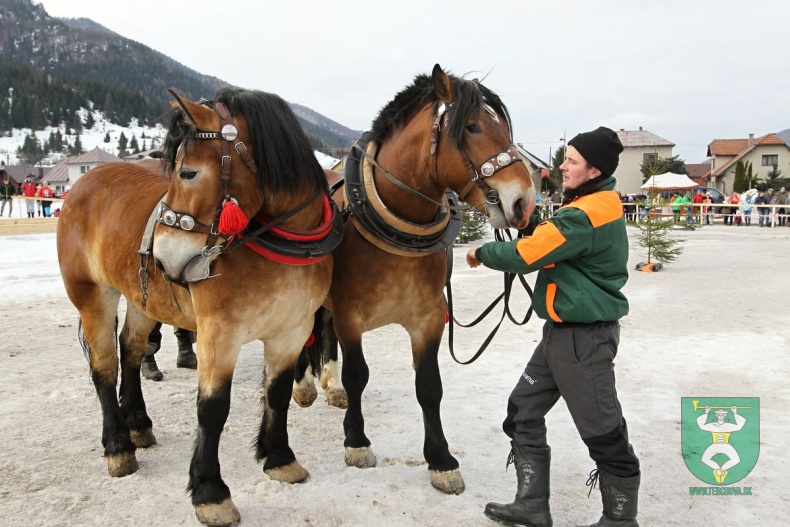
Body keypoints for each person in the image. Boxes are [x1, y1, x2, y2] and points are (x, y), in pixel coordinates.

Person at [467, 127, 640, 527]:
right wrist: (531, 223)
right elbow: (552, 238)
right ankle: (532, 505)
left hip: (584, 339)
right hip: (561, 335)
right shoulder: (592, 202)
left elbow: (531, 252)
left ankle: (620, 520)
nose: (563, 164)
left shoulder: (587, 212)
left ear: (594, 169)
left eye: (573, 160)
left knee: (603, 431)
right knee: (523, 411)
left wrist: (483, 251)